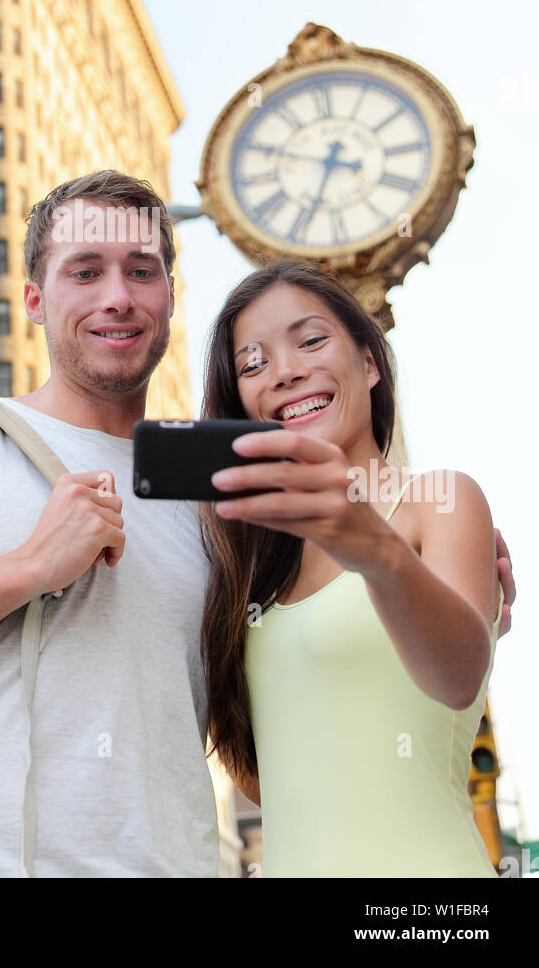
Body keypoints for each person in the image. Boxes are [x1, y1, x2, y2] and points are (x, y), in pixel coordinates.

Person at [0, 171, 516, 878]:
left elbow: (265, 745)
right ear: (33, 299)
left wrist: (447, 595)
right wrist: (26, 569)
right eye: (84, 271)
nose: (116, 296)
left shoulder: (223, 513)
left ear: (169, 297)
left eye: (141, 271)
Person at [199, 258, 508, 877]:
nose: (285, 372)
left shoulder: (438, 500)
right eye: (253, 365)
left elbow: (458, 676)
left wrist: (376, 551)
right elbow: (265, 776)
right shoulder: (246, 567)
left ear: (369, 363)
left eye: (311, 341)